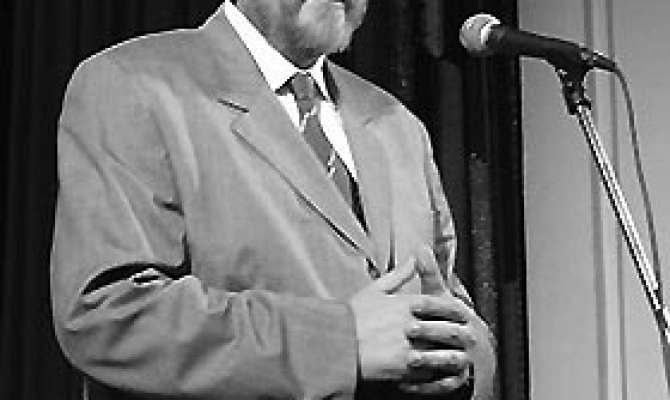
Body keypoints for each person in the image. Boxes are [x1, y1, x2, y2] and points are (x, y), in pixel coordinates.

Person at [50, 0, 496, 399]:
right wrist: (339, 342)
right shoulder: (134, 83)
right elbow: (109, 315)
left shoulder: (396, 123)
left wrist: (460, 360)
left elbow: (457, 309)